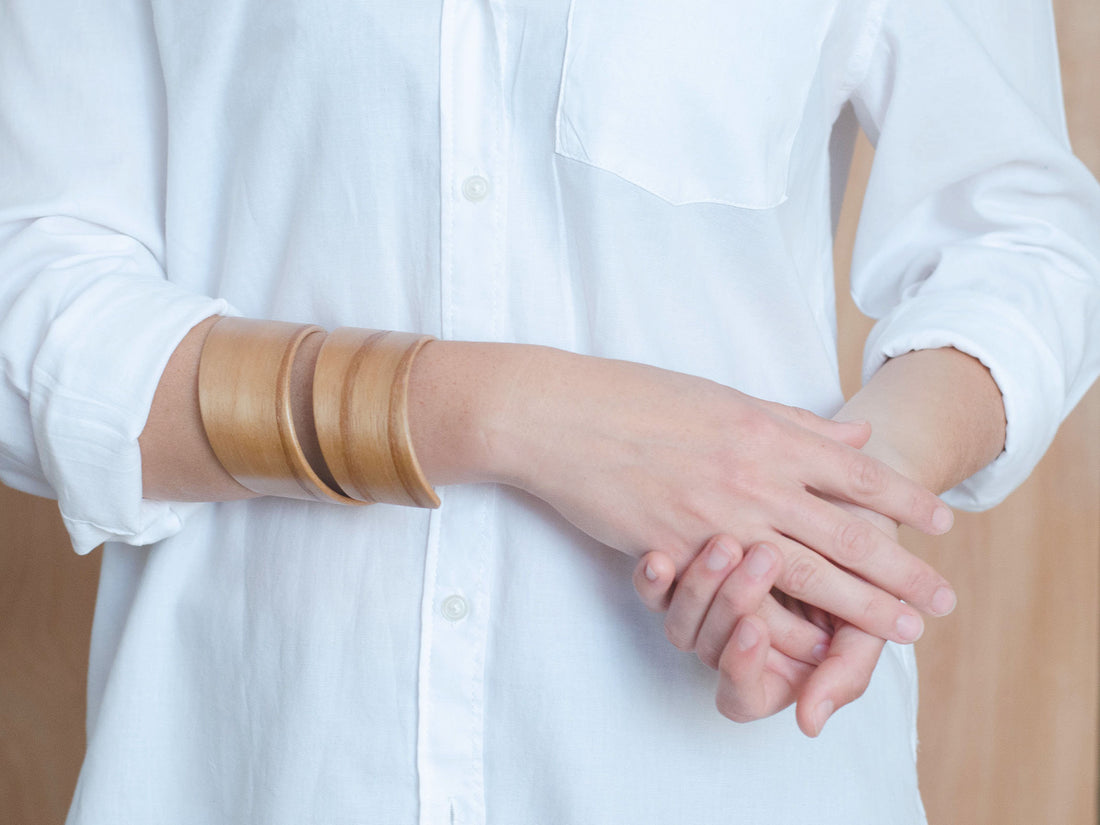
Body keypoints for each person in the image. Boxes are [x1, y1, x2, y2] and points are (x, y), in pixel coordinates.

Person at [1, 0, 1097, 822]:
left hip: (727, 765)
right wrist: (519, 416)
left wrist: (825, 524)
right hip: (262, 762)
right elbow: (30, 301)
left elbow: (1015, 238)